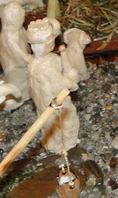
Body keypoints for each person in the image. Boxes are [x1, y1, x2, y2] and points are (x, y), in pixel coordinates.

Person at [26, 18, 80, 153]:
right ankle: (65, 144)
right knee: (66, 120)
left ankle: (49, 143)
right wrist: (72, 84)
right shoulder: (47, 66)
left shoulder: (33, 61)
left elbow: (63, 67)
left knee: (46, 122)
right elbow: (58, 84)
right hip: (53, 101)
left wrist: (65, 63)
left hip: (41, 102)